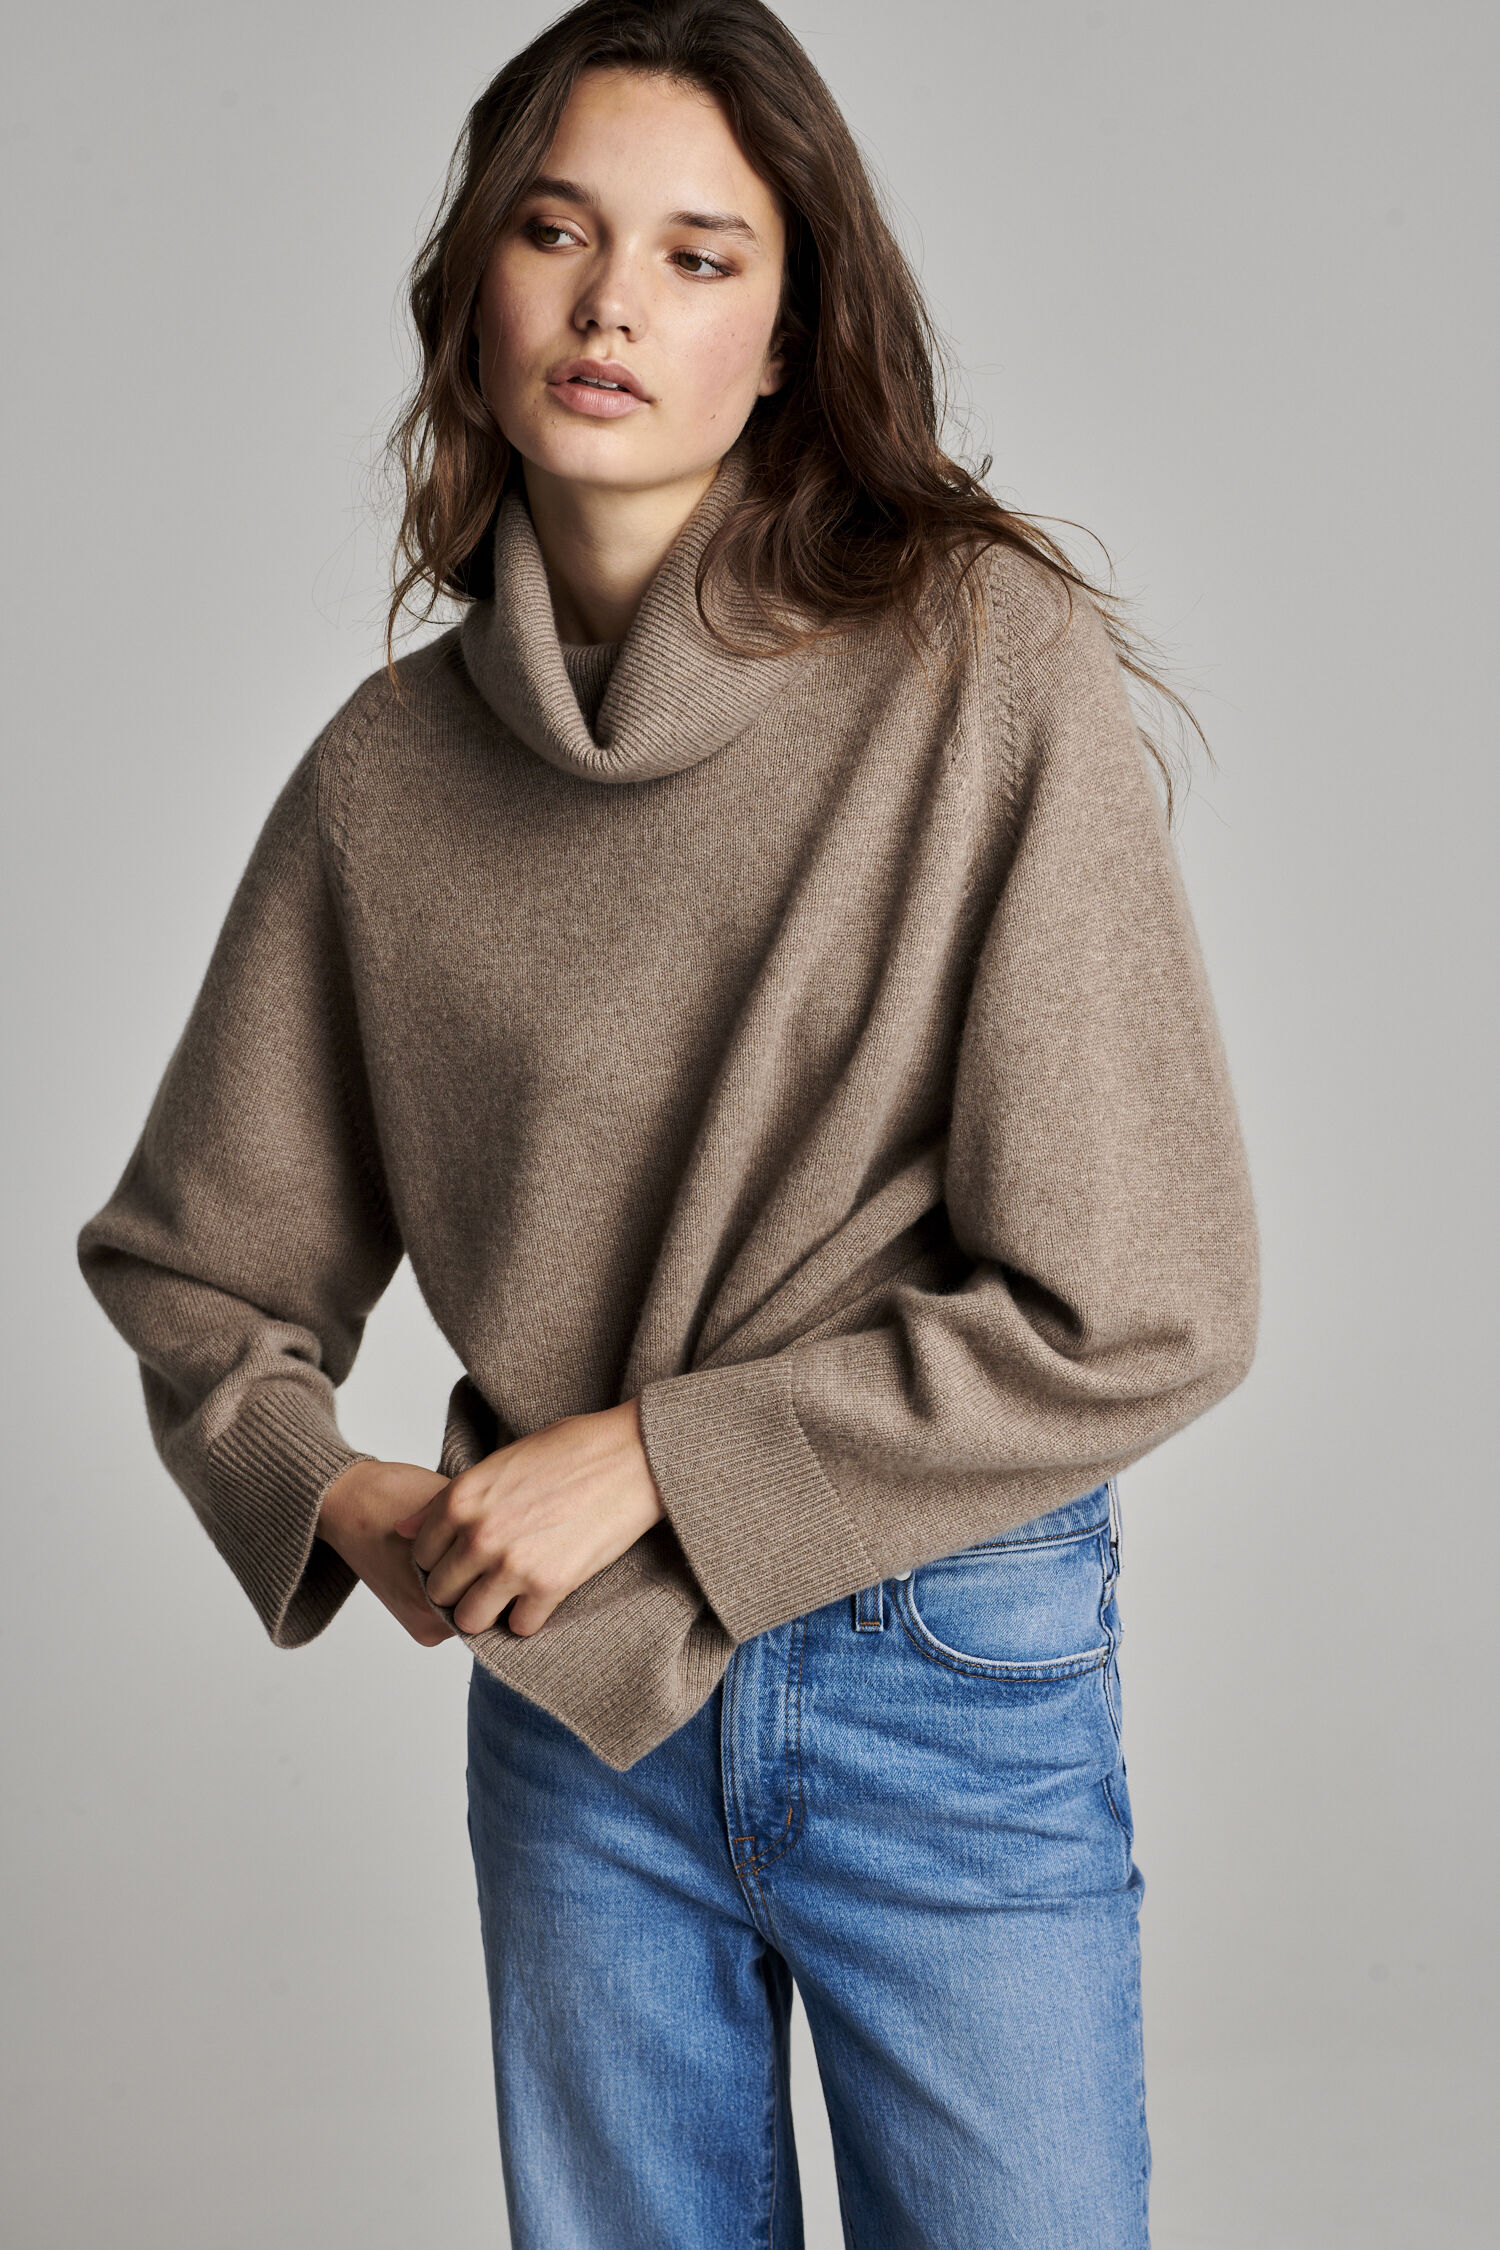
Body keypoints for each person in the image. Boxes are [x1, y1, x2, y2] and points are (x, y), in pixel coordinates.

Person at [77, 3, 1260, 2243]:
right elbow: (192, 1265)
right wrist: (331, 1489)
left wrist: (652, 1454)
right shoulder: (382, 784)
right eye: (558, 232)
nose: (614, 303)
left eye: (701, 255)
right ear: (476, 290)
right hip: (576, 1710)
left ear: (789, 342)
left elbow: (1150, 1303)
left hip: (940, 1651)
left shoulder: (979, 664)